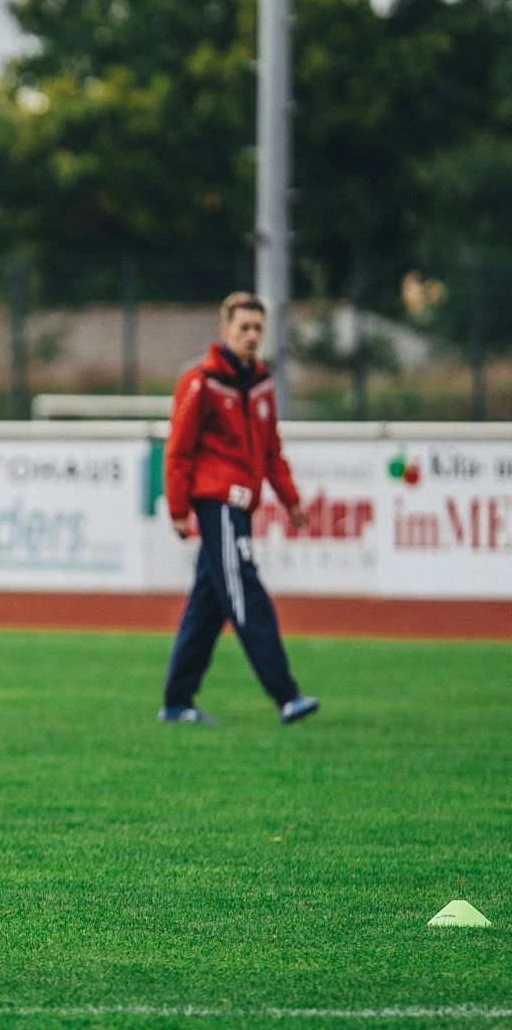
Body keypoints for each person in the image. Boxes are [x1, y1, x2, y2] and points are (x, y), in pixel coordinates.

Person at [158, 292, 320, 727]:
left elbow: (271, 452)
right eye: (243, 327)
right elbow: (178, 449)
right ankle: (286, 695)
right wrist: (178, 508)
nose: (251, 336)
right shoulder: (202, 380)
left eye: (257, 328)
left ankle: (176, 702)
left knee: (208, 604)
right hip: (218, 505)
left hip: (242, 507)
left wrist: (291, 500)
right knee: (245, 592)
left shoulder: (262, 384)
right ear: (224, 330)